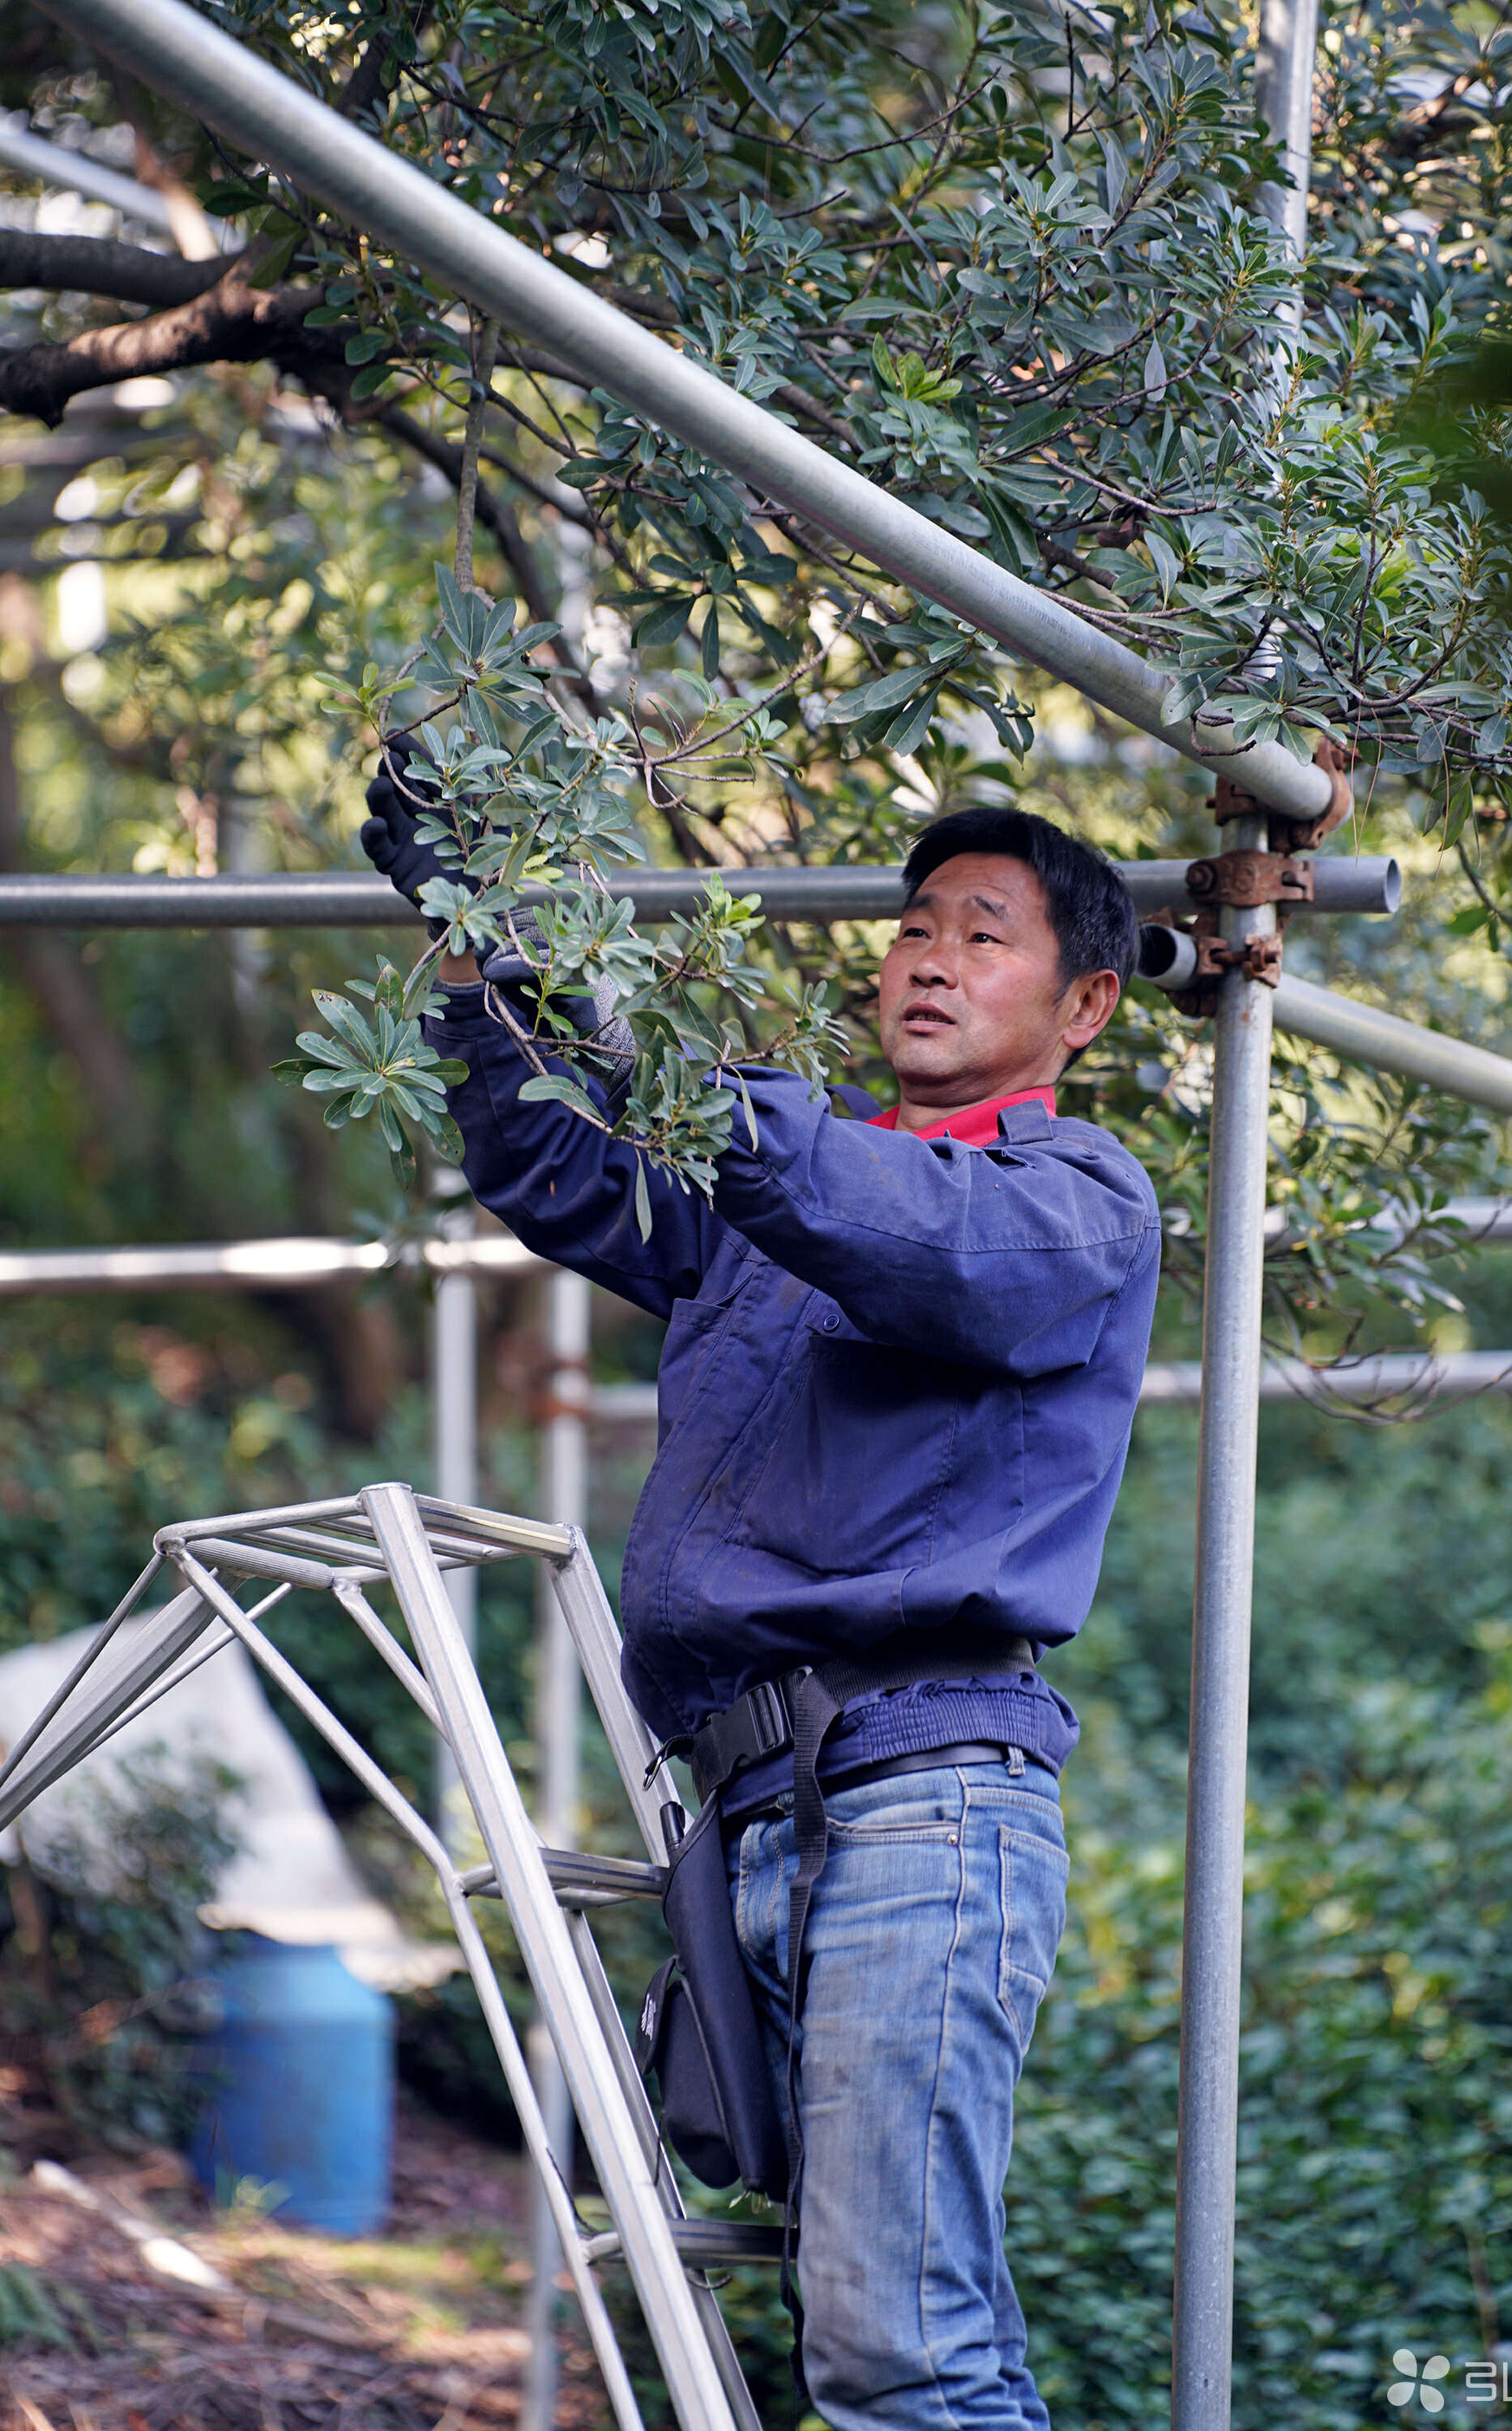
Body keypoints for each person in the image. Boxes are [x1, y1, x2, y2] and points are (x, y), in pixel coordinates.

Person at [363, 773, 1160, 2431]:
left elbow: (906, 1238)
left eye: (983, 936)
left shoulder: (1066, 1202)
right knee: (866, 2328)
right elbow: (562, 1167)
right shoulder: (781, 1201)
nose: (929, 959)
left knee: (897, 2347)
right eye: (914, 928)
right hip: (753, 1812)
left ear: (1084, 1005)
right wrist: (481, 950)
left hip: (919, 1798)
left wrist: (670, 1062)